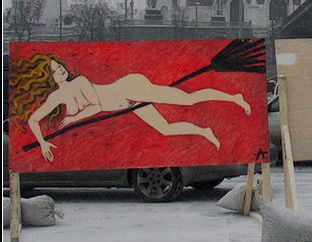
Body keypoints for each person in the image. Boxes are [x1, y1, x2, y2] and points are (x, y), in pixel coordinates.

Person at [11, 54, 250, 162]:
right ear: (49, 76)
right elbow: (33, 119)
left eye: (60, 66)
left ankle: (235, 97)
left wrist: (72, 120)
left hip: (129, 89)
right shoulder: (56, 97)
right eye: (55, 69)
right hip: (126, 103)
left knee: (187, 100)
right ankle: (204, 132)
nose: (61, 70)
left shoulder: (80, 82)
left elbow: (95, 107)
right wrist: (42, 142)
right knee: (165, 129)